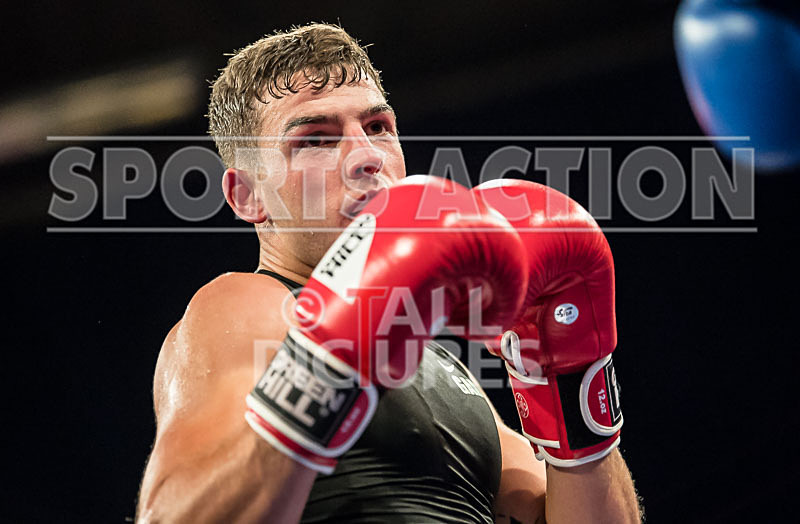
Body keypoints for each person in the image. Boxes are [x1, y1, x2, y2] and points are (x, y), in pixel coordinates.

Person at [137, 23, 641, 523]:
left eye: (377, 127)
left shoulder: (447, 375)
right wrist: (329, 356)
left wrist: (571, 377)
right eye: (314, 139)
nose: (367, 156)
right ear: (247, 195)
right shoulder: (246, 305)